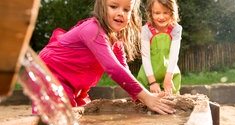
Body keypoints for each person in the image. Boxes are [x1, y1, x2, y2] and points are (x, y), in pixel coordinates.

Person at [37, 0, 176, 115]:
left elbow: (123, 69)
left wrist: (140, 97)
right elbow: (113, 69)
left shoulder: (117, 40)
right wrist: (146, 97)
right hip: (51, 74)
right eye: (114, 6)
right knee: (59, 115)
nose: (120, 13)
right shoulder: (92, 29)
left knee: (85, 116)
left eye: (127, 10)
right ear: (101, 7)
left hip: (75, 85)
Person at [137, 0, 182, 95]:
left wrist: (168, 78)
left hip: (169, 74)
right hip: (149, 75)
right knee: (146, 102)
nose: (161, 17)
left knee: (171, 102)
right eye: (157, 13)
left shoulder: (176, 29)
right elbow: (145, 57)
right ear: (151, 13)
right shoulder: (146, 30)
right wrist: (152, 82)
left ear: (172, 12)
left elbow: (174, 55)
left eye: (165, 12)